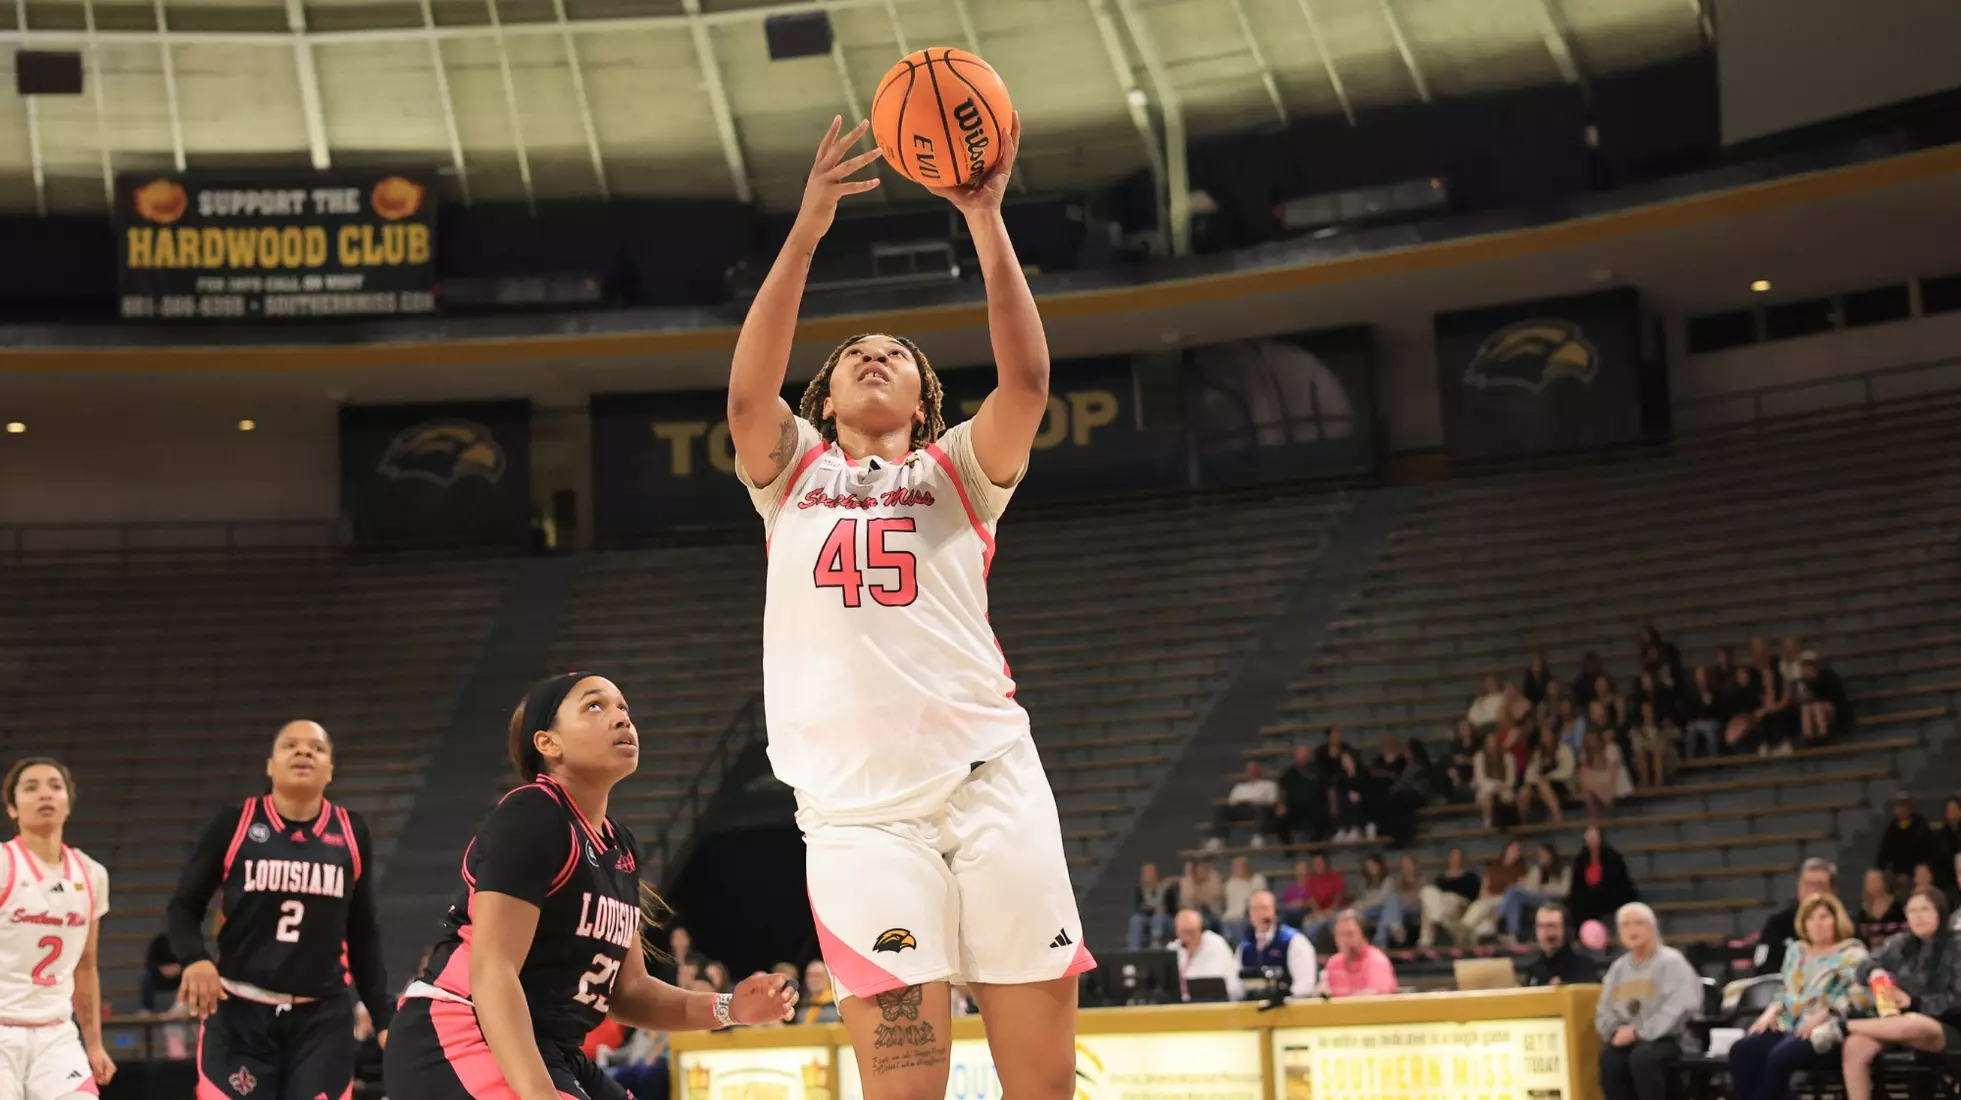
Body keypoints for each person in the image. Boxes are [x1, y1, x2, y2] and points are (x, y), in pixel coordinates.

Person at [726, 113, 1093, 1100]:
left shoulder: (958, 471)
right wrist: (803, 231)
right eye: (855, 355)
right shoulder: (790, 470)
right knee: (901, 1087)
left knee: (1041, 1084)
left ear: (927, 400)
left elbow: (1026, 379)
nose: (875, 356)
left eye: (896, 353)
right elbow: (746, 395)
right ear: (827, 397)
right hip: (856, 818)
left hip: (991, 785)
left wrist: (983, 215)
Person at [384, 674, 800, 1100]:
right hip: (459, 1029)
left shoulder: (619, 845)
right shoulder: (534, 813)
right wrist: (538, 1093)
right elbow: (493, 969)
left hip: (551, 1046)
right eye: (595, 706)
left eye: (623, 708)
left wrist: (730, 1008)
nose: (621, 718)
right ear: (548, 744)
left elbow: (630, 992)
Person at [166, 721, 392, 1100]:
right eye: (291, 745)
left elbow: (363, 933)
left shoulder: (352, 832)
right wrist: (195, 959)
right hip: (240, 1013)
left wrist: (383, 1016)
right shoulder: (235, 823)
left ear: (330, 770)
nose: (304, 752)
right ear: (270, 765)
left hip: (321, 1020)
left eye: (316, 748)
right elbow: (183, 908)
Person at [0, 758, 114, 1099]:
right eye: (31, 788)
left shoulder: (92, 874)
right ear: (12, 808)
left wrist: (94, 1045)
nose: (44, 794)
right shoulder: (5, 864)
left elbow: (86, 965)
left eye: (54, 786)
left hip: (56, 1034)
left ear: (68, 802)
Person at [1728, 894, 1872, 1100]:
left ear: (1836, 920)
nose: (1817, 924)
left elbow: (1862, 997)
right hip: (1789, 1024)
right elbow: (1785, 990)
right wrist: (1770, 1012)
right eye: (1810, 919)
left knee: (1779, 1057)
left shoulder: (1853, 953)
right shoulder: (1797, 952)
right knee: (1742, 1050)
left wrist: (1828, 1011)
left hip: (1826, 1029)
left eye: (1823, 917)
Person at [1838, 887, 1961, 1100]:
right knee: (1855, 1045)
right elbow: (1863, 964)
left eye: (1924, 909)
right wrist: (1873, 970)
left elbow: (1957, 1000)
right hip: (1894, 1022)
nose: (1918, 916)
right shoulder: (1900, 943)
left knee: (1913, 1021)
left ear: (1940, 912)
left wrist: (1913, 1001)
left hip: (1946, 1026)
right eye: (1912, 911)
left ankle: (1840, 1026)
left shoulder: (1956, 945)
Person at [1595, 903, 1700, 1100]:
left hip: (1671, 1038)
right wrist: (1615, 1031)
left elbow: (1680, 1007)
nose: (1632, 930)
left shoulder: (1672, 962)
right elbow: (1604, 1009)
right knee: (1609, 1058)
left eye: (1638, 923)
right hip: (1630, 1038)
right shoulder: (1618, 968)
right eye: (1625, 925)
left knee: (1643, 1057)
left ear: (1652, 928)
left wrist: (1639, 1031)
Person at [1753, 858, 1839, 976]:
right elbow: (1763, 969)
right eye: (1807, 884)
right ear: (1799, 886)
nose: (1812, 891)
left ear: (1833, 890)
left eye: (1819, 885)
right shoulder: (1778, 924)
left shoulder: (1844, 924)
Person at [1238, 891, 1316, 998]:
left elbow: (1305, 985)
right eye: (1254, 909)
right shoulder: (1245, 946)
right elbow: (1235, 985)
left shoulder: (1293, 941)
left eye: (1264, 908)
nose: (1259, 913)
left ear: (1275, 911)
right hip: (1252, 1008)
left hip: (1288, 1008)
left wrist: (1284, 998)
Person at [1498, 843, 1571, 944]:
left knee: (1513, 892)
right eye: (1539, 854)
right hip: (1536, 899)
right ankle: (1513, 933)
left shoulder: (1563, 869)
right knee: (1513, 892)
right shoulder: (1536, 870)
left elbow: (1564, 890)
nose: (1541, 857)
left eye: (1543, 854)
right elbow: (1530, 890)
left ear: (1551, 854)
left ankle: (1500, 915)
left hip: (1552, 899)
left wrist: (1544, 888)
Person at [1568, 827, 1639, 930]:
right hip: (1587, 897)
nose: (1592, 840)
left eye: (1594, 837)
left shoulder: (1612, 857)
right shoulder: (1581, 859)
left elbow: (1619, 880)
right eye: (1589, 837)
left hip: (1609, 894)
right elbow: (1577, 883)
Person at [1169, 909, 1243, 1003]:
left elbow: (1232, 986)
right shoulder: (1173, 948)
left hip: (1212, 1007)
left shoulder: (1217, 945)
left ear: (1201, 930)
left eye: (1190, 932)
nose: (1187, 937)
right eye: (1182, 932)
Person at [1461, 841, 1528, 944]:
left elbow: (1517, 891)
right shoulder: (1493, 867)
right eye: (1513, 849)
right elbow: (1484, 888)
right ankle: (1467, 936)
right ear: (1506, 850)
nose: (1516, 852)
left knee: (1482, 906)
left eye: (1518, 850)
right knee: (1482, 917)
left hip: (1504, 900)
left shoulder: (1520, 870)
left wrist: (1494, 897)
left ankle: (1462, 929)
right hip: (1488, 899)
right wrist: (1486, 896)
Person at [1520, 904, 1601, 987]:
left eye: (1552, 926)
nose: (1546, 932)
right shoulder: (1533, 971)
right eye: (1541, 926)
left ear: (1566, 930)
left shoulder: (1585, 967)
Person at [1318, 912, 1395, 998]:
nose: (1345, 940)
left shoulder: (1377, 961)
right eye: (1340, 935)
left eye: (1350, 934)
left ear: (1363, 936)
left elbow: (1374, 996)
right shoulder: (1333, 963)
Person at [1418, 848, 1479, 949]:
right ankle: (1433, 928)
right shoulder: (1441, 878)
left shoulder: (1470, 877)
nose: (1455, 859)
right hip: (1442, 904)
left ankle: (1426, 939)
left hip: (1459, 903)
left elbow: (1473, 899)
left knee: (1440, 903)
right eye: (1452, 857)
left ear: (1462, 859)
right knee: (1427, 891)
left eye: (1457, 857)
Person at [1876, 794, 1942, 886]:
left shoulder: (1920, 826)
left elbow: (1930, 853)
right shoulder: (1892, 828)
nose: (1902, 809)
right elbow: (1883, 856)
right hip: (1897, 879)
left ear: (1910, 807)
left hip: (1919, 877)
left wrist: (1918, 874)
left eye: (1905, 805)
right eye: (1899, 806)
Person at [1212, 761, 1280, 848]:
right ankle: (1218, 839)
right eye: (1249, 769)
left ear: (1260, 770)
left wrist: (1255, 801)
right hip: (1240, 810)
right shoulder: (1240, 786)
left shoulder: (1270, 785)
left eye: (1254, 769)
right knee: (1221, 809)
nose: (1252, 771)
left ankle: (1258, 837)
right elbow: (1232, 802)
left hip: (1258, 809)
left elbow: (1272, 801)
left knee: (1261, 809)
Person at [1517, 725, 1574, 826]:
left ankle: (1558, 816)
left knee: (1542, 783)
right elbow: (1530, 773)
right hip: (1542, 785)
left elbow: (1567, 770)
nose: (1546, 737)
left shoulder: (1564, 749)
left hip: (1562, 784)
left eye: (1548, 734)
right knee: (1524, 790)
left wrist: (1549, 777)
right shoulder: (1538, 753)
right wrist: (1531, 784)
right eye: (1544, 735)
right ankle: (1523, 822)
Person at [1274, 746, 1327, 846]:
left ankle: (1315, 847)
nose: (1301, 760)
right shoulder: (1289, 774)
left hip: (1314, 807)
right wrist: (1281, 804)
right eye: (1299, 758)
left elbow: (1327, 790)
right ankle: (1288, 847)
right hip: (1293, 808)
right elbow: (1282, 790)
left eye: (1304, 757)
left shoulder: (1318, 771)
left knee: (1322, 818)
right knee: (1278, 819)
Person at [1296, 853, 1347, 944]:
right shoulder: (1311, 879)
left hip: (1335, 910)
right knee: (1307, 923)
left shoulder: (1335, 877)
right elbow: (1311, 899)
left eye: (1319, 862)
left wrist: (1329, 911)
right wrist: (1318, 912)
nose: (1317, 865)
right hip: (1319, 912)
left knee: (1334, 921)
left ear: (1325, 863)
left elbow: (1338, 898)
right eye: (1315, 863)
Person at [1576, 727, 1625, 819]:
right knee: (1586, 777)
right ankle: (1596, 818)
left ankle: (1604, 808)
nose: (1592, 742)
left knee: (1590, 785)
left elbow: (1615, 772)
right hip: (1593, 784)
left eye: (1594, 739)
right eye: (1589, 740)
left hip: (1610, 779)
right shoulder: (1585, 753)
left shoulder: (1611, 748)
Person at [1128, 862, 1177, 950]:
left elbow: (1172, 909)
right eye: (1145, 873)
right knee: (1136, 920)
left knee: (1158, 919)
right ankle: (1133, 949)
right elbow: (1138, 908)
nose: (1146, 876)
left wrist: (1162, 909)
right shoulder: (1140, 889)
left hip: (1165, 919)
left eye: (1149, 873)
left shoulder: (1167, 888)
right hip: (1147, 917)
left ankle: (1155, 949)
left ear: (1156, 874)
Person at [1471, 735, 1515, 830]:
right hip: (1485, 788)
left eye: (1494, 743)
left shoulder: (1508, 757)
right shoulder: (1479, 757)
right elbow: (1480, 778)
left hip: (1504, 787)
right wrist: (1494, 787)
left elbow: (1511, 780)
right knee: (1487, 796)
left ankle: (1507, 823)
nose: (1492, 746)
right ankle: (1488, 824)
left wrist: (1501, 787)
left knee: (1508, 797)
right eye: (1489, 743)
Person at [1220, 857, 1267, 944]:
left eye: (1239, 866)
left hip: (1250, 914)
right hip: (1231, 916)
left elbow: (1258, 899)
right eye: (1234, 867)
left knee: (1242, 923)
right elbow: (1229, 904)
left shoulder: (1257, 880)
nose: (1236, 869)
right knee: (1226, 922)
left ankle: (1243, 948)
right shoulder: (1229, 883)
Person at [142, 931, 183, 1014]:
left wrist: (180, 968)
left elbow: (191, 961)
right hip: (160, 975)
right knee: (146, 978)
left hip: (179, 975)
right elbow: (150, 962)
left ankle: (181, 1009)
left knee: (191, 977)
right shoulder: (159, 942)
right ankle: (147, 1011)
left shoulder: (185, 942)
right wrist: (161, 969)